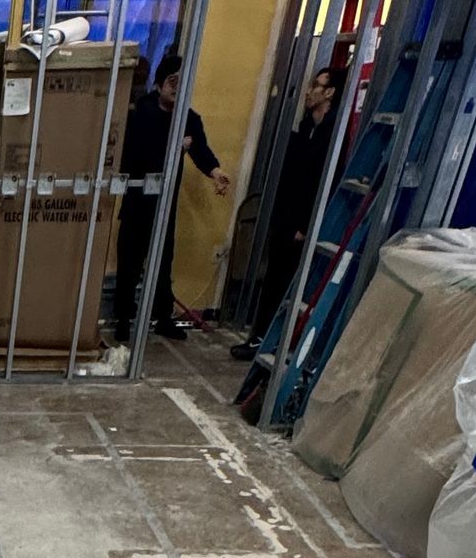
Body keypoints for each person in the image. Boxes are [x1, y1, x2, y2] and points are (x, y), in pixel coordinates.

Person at [109, 52, 231, 347]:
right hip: (139, 200)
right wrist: (175, 146)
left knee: (163, 262)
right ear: (160, 83)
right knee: (129, 263)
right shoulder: (143, 112)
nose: (177, 88)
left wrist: (215, 172)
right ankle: (123, 320)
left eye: (182, 82)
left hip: (165, 204)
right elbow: (140, 153)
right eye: (172, 82)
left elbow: (200, 149)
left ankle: (162, 316)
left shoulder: (189, 118)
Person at [231, 66, 340, 360]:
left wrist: (305, 224)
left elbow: (322, 185)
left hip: (302, 224)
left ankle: (276, 341)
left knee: (288, 283)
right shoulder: (305, 130)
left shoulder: (332, 136)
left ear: (329, 93)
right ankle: (261, 337)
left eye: (316, 86)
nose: (309, 91)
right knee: (274, 279)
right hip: (285, 218)